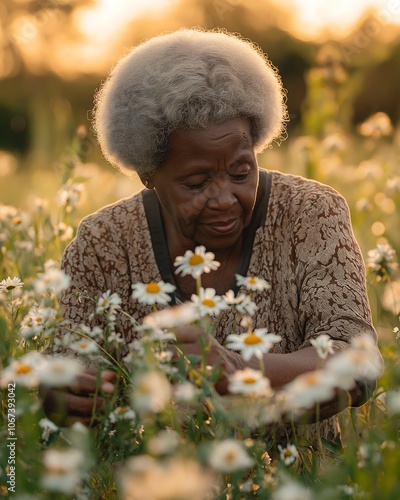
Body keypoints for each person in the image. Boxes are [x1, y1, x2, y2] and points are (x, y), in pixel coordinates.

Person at [41, 28, 380, 444]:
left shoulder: (311, 213)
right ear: (147, 174)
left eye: (241, 171)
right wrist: (59, 393)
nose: (224, 199)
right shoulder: (101, 243)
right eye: (197, 181)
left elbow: (357, 358)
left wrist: (243, 371)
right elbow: (62, 368)